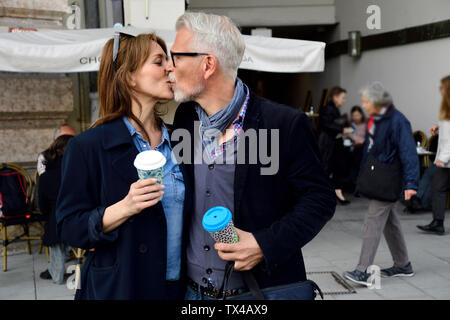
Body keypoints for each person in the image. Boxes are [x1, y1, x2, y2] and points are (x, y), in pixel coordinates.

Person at [167, 12, 336, 300]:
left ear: (208, 65)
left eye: (176, 57)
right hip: (191, 293)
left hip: (257, 293)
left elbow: (320, 200)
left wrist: (264, 244)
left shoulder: (284, 123)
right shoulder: (184, 118)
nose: (169, 68)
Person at [56, 31, 191, 299]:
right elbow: (69, 227)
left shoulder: (182, 139)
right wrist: (123, 208)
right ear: (129, 77)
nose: (170, 67)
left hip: (181, 289)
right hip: (122, 288)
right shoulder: (88, 146)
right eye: (158, 61)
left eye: (169, 60)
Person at [344, 82, 419, 286]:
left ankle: (363, 271)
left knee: (373, 220)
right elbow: (370, 150)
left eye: (367, 101)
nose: (364, 105)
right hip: (379, 177)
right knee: (389, 222)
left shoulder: (398, 121)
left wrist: (411, 183)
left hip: (390, 179)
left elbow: (408, 153)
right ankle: (403, 265)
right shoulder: (376, 119)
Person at [38, 134, 74, 284]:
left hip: (56, 220)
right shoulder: (75, 172)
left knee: (56, 244)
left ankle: (56, 274)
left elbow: (42, 205)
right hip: (78, 218)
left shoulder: (46, 176)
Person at [417, 75, 450, 235]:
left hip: (447, 159)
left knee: (438, 187)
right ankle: (437, 222)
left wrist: (442, 158)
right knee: (438, 187)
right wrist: (439, 127)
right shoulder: (447, 107)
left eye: (442, 87)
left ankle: (438, 223)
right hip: (446, 159)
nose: (440, 90)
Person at [318, 86, 353, 205]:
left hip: (334, 143)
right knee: (327, 168)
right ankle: (325, 195)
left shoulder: (334, 109)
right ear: (335, 97)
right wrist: (343, 130)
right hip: (328, 145)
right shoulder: (328, 109)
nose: (344, 100)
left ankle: (336, 193)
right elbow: (327, 125)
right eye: (343, 97)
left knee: (337, 168)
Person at [345, 106, 367, 185]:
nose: (356, 117)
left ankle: (354, 179)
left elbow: (366, 138)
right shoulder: (350, 124)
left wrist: (359, 141)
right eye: (354, 115)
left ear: (361, 115)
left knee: (358, 152)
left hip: (360, 148)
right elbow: (345, 135)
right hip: (350, 146)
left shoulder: (365, 125)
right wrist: (352, 137)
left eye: (357, 115)